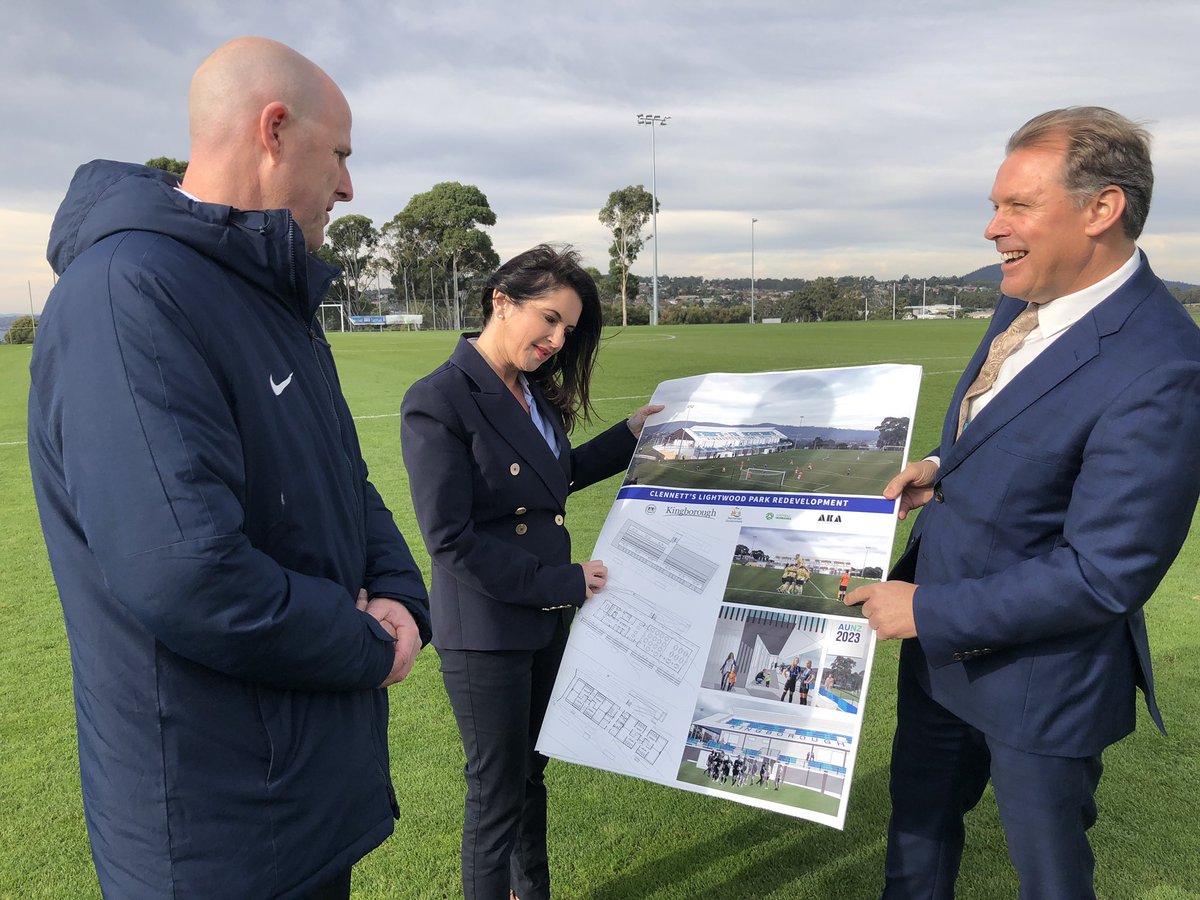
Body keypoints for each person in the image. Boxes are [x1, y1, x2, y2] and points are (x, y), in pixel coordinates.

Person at [26, 37, 431, 900]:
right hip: (218, 831)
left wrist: (400, 590)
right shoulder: (128, 289)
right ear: (274, 130)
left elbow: (340, 480)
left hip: (300, 802)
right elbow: (184, 571)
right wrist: (366, 641)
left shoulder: (268, 292)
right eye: (342, 156)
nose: (351, 187)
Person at [847, 107, 1200, 898]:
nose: (991, 229)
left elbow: (1105, 573)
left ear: (1102, 209)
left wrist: (926, 613)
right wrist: (943, 463)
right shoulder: (1024, 295)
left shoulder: (1165, 363)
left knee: (1049, 876)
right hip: (940, 660)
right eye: (994, 204)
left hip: (1044, 679)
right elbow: (1009, 418)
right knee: (917, 838)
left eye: (1017, 206)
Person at [400, 244, 661, 900]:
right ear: (500, 301)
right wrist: (562, 584)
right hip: (486, 629)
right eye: (547, 319)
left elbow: (555, 475)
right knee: (494, 799)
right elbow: (449, 539)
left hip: (543, 624)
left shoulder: (530, 395)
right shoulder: (439, 398)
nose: (555, 340)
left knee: (530, 778)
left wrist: (631, 433)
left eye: (567, 331)